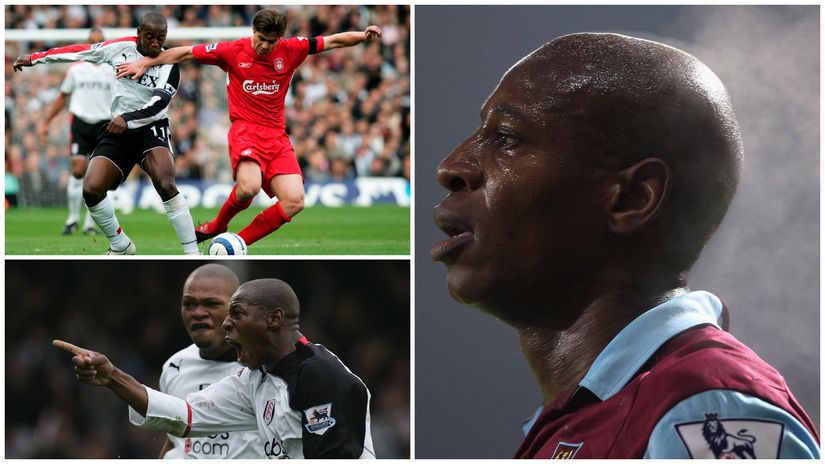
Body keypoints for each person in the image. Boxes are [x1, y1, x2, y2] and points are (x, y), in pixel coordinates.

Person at [431, 33, 820, 459]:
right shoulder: (596, 416)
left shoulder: (704, 410)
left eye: (505, 137)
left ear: (631, 198)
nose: (452, 166)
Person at [116, 9, 382, 248]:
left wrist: (362, 35)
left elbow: (332, 41)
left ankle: (237, 242)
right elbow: (185, 52)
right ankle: (218, 225)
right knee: (248, 188)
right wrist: (146, 62)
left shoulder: (292, 49)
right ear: (253, 31)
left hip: (277, 136)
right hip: (246, 130)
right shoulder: (232, 50)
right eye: (261, 39)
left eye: (271, 41)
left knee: (295, 201)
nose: (265, 46)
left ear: (280, 38)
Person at [54, 278, 375, 459]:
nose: (225, 324)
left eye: (235, 314)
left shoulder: (321, 375)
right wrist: (113, 377)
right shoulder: (255, 379)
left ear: (274, 319)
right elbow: (186, 416)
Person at [14, 12, 198, 255]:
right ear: (139, 34)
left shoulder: (169, 64)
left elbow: (159, 105)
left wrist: (126, 118)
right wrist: (36, 58)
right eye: (150, 37)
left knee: (165, 183)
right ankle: (120, 245)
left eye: (160, 38)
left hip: (151, 129)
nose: (155, 43)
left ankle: (192, 252)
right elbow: (80, 51)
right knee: (91, 188)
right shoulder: (119, 48)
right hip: (118, 130)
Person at [158, 264, 264, 458]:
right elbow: (174, 441)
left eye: (211, 304)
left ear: (236, 311)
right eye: (189, 304)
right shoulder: (174, 366)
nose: (198, 312)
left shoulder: (266, 371)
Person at [39, 27, 112, 236]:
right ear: (88, 44)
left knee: (96, 175)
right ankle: (72, 219)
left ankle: (90, 223)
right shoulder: (76, 69)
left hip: (104, 125)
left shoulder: (113, 69)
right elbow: (62, 97)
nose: (96, 46)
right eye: (92, 42)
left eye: (100, 42)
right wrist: (46, 121)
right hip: (80, 123)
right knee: (78, 169)